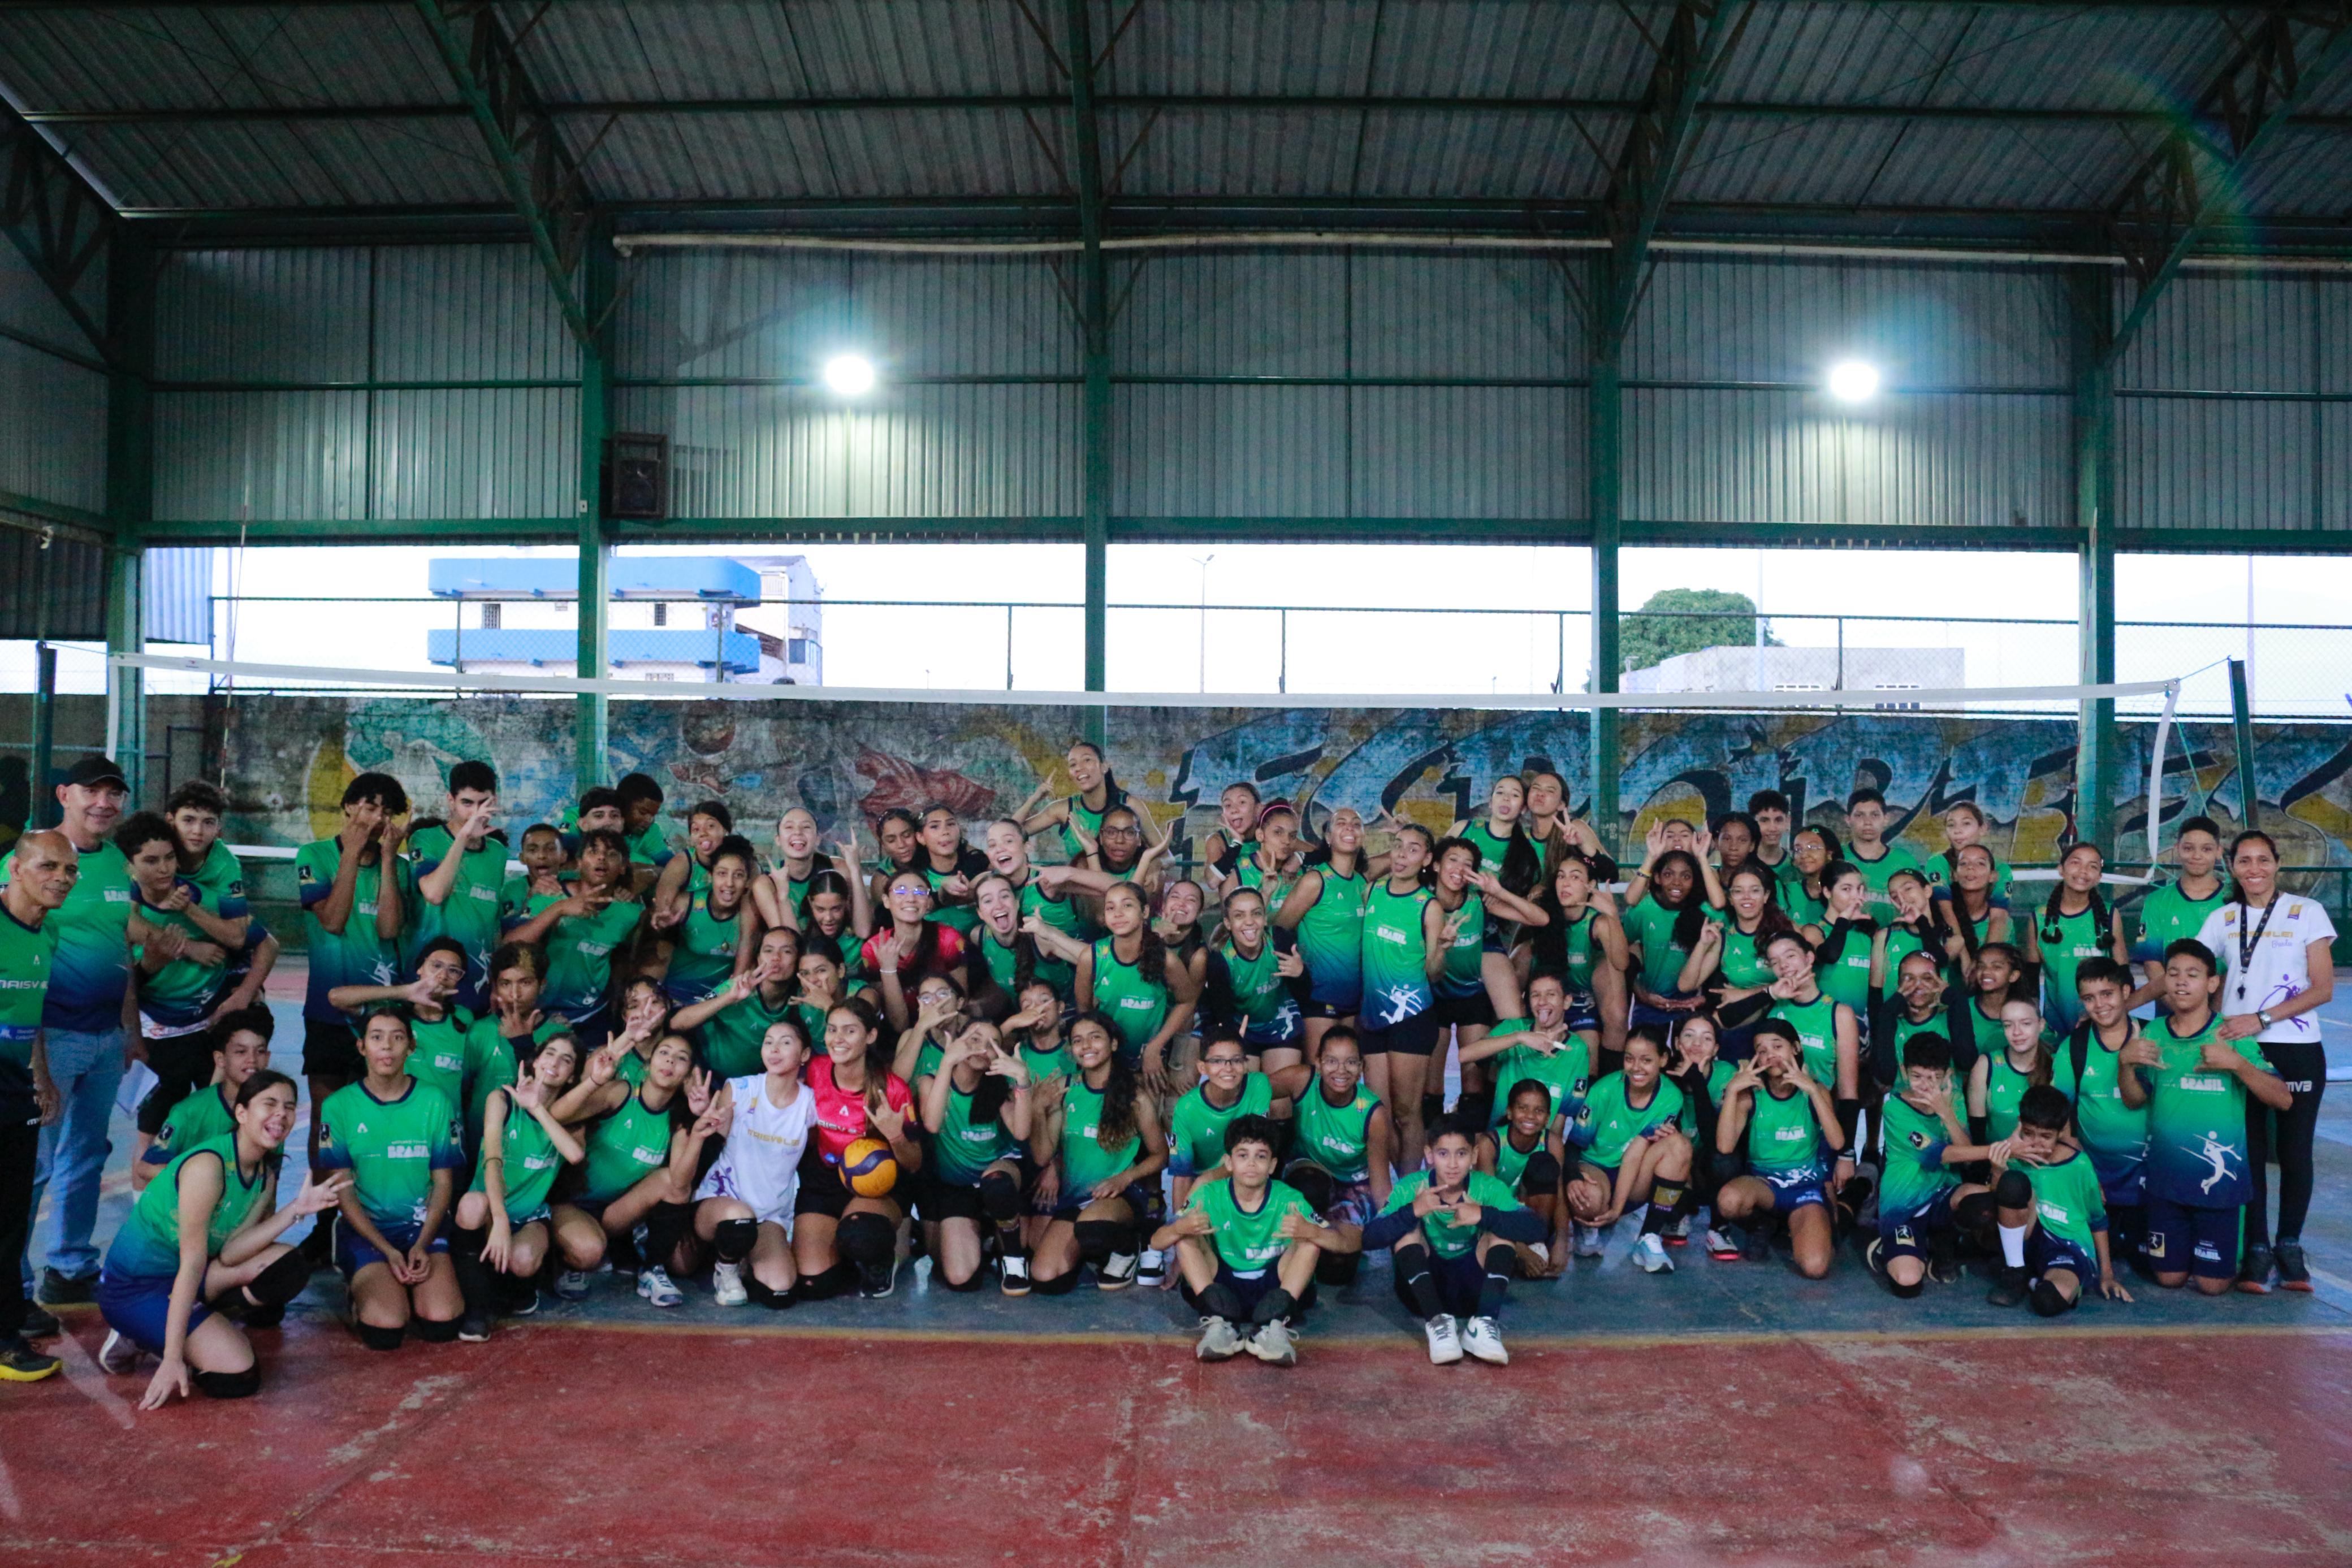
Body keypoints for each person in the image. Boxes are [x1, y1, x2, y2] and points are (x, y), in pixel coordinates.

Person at [96, 1071, 345, 1407]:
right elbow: (193, 1261)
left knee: (288, 1266)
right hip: (135, 1289)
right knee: (236, 1377)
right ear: (241, 1114)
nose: (282, 1114)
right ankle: (139, 1334)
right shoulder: (208, 1167)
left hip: (186, 1278)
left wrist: (297, 1210)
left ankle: (180, 1328)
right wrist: (171, 1358)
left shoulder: (263, 1175)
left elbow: (230, 1253)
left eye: (288, 1106)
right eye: (269, 1104)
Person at [7, 757, 135, 1314]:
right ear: (64, 794)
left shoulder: (115, 866)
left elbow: (122, 947)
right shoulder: (27, 860)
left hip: (105, 1036)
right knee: (33, 1164)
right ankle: (15, 1288)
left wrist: (129, 1028)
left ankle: (71, 1264)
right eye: (92, 791)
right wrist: (34, 1060)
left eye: (114, 793)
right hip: (49, 1037)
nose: (103, 802)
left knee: (86, 1155)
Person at [2196, 830, 2336, 1292]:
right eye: (2244, 861)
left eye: (2263, 859)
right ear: (2231, 867)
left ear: (2277, 863)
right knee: (2249, 1154)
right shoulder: (2222, 918)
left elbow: (2322, 988)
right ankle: (2257, 1247)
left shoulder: (2307, 913)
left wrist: (2262, 1017)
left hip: (2296, 1050)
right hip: (2241, 1049)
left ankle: (2290, 1245)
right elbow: (2195, 972)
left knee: (2294, 1153)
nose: (2254, 868)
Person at [2119, 939, 2293, 1297]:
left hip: (2220, 1189)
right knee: (2169, 1279)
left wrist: (2237, 1064)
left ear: (2213, 983)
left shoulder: (2232, 1035)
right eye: (2173, 974)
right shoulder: (2152, 1034)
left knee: (2213, 1286)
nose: (2182, 982)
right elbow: (2134, 1100)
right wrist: (2125, 1064)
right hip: (2166, 1183)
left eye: (2193, 975)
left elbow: (2284, 1099)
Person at [295, 770, 412, 1248]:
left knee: (383, 1114)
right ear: (347, 808)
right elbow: (335, 919)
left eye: (386, 809)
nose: (377, 816)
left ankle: (376, 1218)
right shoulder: (314, 856)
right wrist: (351, 852)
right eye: (368, 805)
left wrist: (386, 858)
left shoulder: (399, 867)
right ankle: (324, 1225)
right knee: (327, 1119)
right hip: (329, 1013)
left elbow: (387, 931)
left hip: (383, 1017)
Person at [314, 1008, 466, 1349]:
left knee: (441, 1323)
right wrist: (387, 1251)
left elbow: (443, 1182)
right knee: (386, 1329)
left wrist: (421, 1245)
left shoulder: (434, 1101)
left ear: (410, 1047)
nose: (388, 1047)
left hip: (421, 1228)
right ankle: (363, 1284)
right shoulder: (339, 1106)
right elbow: (344, 1190)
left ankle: (410, 1281)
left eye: (398, 1038)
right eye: (377, 1037)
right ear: (362, 1046)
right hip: (368, 1231)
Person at [1153, 1114, 1349, 1366]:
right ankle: (1219, 1323)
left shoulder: (1290, 1198)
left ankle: (1273, 1326)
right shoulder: (1208, 1194)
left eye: (1261, 1156)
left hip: (1274, 1287)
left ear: (1272, 1165)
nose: (1252, 1164)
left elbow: (1342, 1244)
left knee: (1311, 1241)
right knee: (1184, 1238)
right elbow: (1158, 1242)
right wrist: (1180, 1227)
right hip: (1221, 1284)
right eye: (1243, 1155)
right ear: (1229, 1162)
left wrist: (1313, 1232)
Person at [1361, 1115, 1549, 1366]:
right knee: (1405, 1231)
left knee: (1502, 1231)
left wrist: (1483, 1214)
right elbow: (1370, 1237)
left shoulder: (1489, 1188)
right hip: (1423, 1294)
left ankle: (1483, 1324)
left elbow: (1537, 1230)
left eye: (1461, 1154)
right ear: (1429, 1155)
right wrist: (1413, 1210)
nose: (1452, 1164)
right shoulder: (1411, 1187)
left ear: (1474, 1156)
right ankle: (1437, 1324)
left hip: (1473, 1291)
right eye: (1443, 1154)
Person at [548, 1033, 710, 1306]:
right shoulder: (621, 1092)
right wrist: (595, 1081)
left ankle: (651, 1270)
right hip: (571, 1203)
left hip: (615, 1213)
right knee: (589, 1252)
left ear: (686, 1077)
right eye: (664, 1053)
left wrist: (698, 1128)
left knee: (670, 1179)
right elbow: (558, 1115)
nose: (671, 1060)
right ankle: (562, 1263)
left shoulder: (679, 1117)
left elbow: (681, 1184)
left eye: (681, 1058)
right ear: (647, 1065)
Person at [0, 829, 76, 1380]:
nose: (62, 878)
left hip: (13, 1084)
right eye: (49, 866)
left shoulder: (45, 934)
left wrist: (40, 1074)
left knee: (9, 1215)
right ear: (17, 868)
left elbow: (32, 1016)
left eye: (70, 870)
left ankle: (10, 1320)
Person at [448, 1032, 583, 1338]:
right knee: (470, 1206)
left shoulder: (571, 1116)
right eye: (550, 1054)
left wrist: (536, 1107)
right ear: (535, 1061)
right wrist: (499, 1219)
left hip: (530, 1215)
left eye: (567, 1060)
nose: (555, 1063)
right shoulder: (501, 1099)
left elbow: (574, 1155)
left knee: (522, 1260)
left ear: (573, 1076)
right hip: (491, 1208)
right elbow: (492, 1161)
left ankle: (519, 1290)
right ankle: (477, 1309)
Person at [119, 811, 245, 1129]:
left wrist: (243, 994)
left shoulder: (196, 898)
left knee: (219, 1126)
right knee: (154, 1133)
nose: (164, 868)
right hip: (156, 1033)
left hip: (205, 1030)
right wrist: (185, 949)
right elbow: (129, 937)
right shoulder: (121, 905)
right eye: (151, 861)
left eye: (170, 858)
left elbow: (261, 941)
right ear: (128, 866)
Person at [793, 997, 924, 1300]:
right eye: (832, 1030)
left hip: (875, 1188)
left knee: (861, 1236)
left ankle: (887, 1250)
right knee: (814, 1284)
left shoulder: (893, 1090)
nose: (837, 1039)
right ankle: (853, 1246)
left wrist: (896, 1137)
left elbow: (915, 1163)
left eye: (850, 1031)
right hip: (824, 1181)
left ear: (871, 1036)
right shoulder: (814, 1070)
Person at [1028, 1010, 1166, 1294]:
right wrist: (1036, 1110)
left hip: (1118, 1197)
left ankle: (1128, 1248)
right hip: (1076, 1198)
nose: (1086, 1046)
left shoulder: (1136, 1097)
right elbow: (1042, 1156)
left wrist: (1125, 1178)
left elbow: (1161, 1156)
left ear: (1113, 1044)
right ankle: (1092, 1253)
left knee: (1093, 1229)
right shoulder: (1064, 1089)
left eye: (1095, 1038)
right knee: (1045, 1277)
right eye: (1078, 1041)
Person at [692, 1017, 818, 1309]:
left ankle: (746, 1254)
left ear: (805, 1055)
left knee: (780, 1293)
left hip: (770, 1213)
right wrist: (704, 1115)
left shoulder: (809, 1103)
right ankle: (725, 1270)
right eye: (768, 1042)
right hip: (723, 1203)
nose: (774, 1049)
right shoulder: (740, 1088)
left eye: (786, 1042)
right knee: (739, 1220)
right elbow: (720, 1131)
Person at [1711, 1021, 1845, 1280]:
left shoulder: (1815, 1090)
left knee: (1816, 1267)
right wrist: (1733, 1092)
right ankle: (1763, 1224)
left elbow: (1838, 1143)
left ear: (1795, 1048)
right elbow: (1724, 1147)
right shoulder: (1752, 1094)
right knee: (1728, 1201)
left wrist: (1812, 1091)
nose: (1769, 1054)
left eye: (1777, 1046)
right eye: (1761, 1050)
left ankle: (1805, 1224)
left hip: (1805, 1189)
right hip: (1765, 1185)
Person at [1985, 1084, 2132, 1315]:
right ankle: (2017, 1271)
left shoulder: (2080, 1166)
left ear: (2061, 1131)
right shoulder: (2015, 1156)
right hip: (2028, 1239)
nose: (2035, 1143)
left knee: (2048, 1302)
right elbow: (2001, 1203)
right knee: (2013, 1183)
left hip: (2065, 1247)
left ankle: (2034, 1281)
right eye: (2029, 1133)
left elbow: (2098, 1220)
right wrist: (1997, 1170)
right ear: (2020, 1124)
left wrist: (2107, 1274)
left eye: (2046, 1136)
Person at [1266, 1026, 1391, 1286]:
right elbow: (1250, 1091)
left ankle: (1321, 1239)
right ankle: (1291, 1246)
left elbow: (1380, 1182)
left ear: (1362, 1067)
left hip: (1352, 1186)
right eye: (1332, 1061)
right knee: (1311, 1186)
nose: (1341, 1070)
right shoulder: (1301, 1080)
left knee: (1337, 1271)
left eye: (1351, 1062)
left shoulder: (1373, 1113)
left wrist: (1397, 1233)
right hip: (1308, 1171)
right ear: (1319, 1062)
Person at [917, 1017, 1034, 1293]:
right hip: (958, 1187)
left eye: (992, 1044)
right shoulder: (930, 1081)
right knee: (959, 1277)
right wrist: (947, 1062)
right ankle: (986, 1234)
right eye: (974, 1039)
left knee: (996, 1183)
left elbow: (1021, 1133)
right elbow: (932, 1124)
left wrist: (1023, 1081)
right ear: (957, 1042)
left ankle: (1014, 1257)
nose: (982, 1048)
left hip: (1000, 1177)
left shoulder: (998, 1086)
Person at [1355, 823, 1447, 1171]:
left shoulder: (1429, 906)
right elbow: (1362, 868)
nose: (1402, 855)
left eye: (1413, 849)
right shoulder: (1372, 892)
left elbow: (1435, 973)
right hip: (1373, 1017)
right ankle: (1394, 1192)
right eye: (1397, 846)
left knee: (1408, 1114)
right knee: (1379, 1113)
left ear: (1426, 859)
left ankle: (1410, 1192)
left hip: (1413, 1016)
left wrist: (1442, 952)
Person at [2050, 958, 2151, 1270]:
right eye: (2089, 998)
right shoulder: (2074, 1047)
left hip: (2149, 1181)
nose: (2099, 1005)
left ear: (2126, 992)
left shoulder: (2153, 1038)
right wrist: (2077, 1165)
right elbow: (2059, 1110)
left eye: (2107, 994)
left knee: (2157, 1268)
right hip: (2096, 1183)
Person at [503, 826, 643, 1049]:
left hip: (591, 1016)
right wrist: (560, 909)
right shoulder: (548, 896)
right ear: (578, 862)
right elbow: (509, 947)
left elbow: (624, 961)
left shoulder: (630, 914)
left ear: (623, 867)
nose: (601, 858)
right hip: (540, 1012)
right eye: (593, 852)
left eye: (612, 854)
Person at [1564, 1029, 1692, 1274]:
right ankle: (1590, 1224)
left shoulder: (1671, 1097)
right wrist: (1572, 1178)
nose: (1636, 1067)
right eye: (1629, 1058)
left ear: (1663, 1060)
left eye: (1647, 1060)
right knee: (1588, 1200)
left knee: (1679, 1145)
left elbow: (1637, 1149)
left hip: (1634, 1174)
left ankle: (1649, 1237)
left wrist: (1617, 1210)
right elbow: (1574, 1145)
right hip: (1596, 1167)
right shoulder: (1604, 1089)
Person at [1869, 1032, 1986, 1297]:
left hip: (1942, 1196)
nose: (1924, 1085)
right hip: (1904, 1206)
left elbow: (1966, 1154)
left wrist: (1945, 1112)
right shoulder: (1895, 1108)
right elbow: (1941, 1154)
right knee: (1908, 1283)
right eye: (1917, 1076)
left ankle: (1942, 1241)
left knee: (1983, 1201)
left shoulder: (1953, 1098)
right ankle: (1888, 1245)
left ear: (1947, 1075)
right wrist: (2000, 1150)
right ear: (1904, 1071)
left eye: (1933, 1077)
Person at [1063, 881, 1198, 1097]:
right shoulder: (1092, 957)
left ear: (1145, 911)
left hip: (1148, 1057)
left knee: (1148, 1114)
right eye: (1110, 908)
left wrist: (1156, 1046)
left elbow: (1187, 1001)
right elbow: (1085, 1013)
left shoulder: (1166, 961)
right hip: (1105, 1056)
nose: (1118, 914)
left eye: (1127, 906)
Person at [328, 937, 473, 1130]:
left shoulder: (464, 1019)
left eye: (453, 970)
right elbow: (337, 998)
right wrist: (405, 992)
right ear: (420, 969)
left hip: (444, 1131)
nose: (443, 975)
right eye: (436, 966)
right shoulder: (390, 1016)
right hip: (392, 1128)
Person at [135, 1006, 276, 1193]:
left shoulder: (273, 1115)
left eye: (259, 1051)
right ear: (220, 1059)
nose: (252, 1059)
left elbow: (268, 1185)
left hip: (234, 1215)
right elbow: (146, 1168)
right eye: (241, 1052)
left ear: (267, 1058)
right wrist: (198, 1178)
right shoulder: (189, 1112)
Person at [1273, 804, 1372, 1062]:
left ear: (1362, 835)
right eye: (1341, 823)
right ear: (1328, 837)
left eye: (1356, 823)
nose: (1350, 827)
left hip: (1355, 1002)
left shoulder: (1363, 884)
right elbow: (1280, 929)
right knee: (1318, 1074)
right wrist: (1299, 977)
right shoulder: (1315, 880)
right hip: (1318, 999)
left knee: (1345, 1074)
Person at [408, 760, 508, 1010]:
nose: (475, 813)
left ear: (493, 801)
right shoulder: (426, 839)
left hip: (478, 977)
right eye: (467, 803)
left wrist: (496, 981)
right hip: (431, 977)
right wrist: (463, 838)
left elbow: (492, 922)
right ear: (450, 800)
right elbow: (434, 893)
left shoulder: (497, 852)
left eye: (483, 804)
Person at [2021, 841, 2130, 1037]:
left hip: (2101, 1023)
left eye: (2093, 866)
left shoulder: (2109, 914)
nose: (2083, 871)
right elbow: (2030, 980)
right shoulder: (2039, 918)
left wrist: (2111, 1015)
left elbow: (2123, 974)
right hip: (2055, 1027)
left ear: (2099, 877)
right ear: (2061, 869)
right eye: (2076, 863)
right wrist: (2034, 1020)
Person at [1167, 1025, 1277, 1214]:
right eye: (1217, 1061)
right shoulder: (1186, 1107)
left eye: (1236, 1060)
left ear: (1245, 1064)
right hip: (1199, 1183)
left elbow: (1255, 1147)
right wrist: (1179, 1221)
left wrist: (1207, 1179)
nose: (1228, 1068)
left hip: (1246, 1174)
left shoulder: (1259, 1084)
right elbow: (1182, 1174)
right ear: (1202, 1067)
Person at [674, 923, 801, 1080]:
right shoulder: (738, 987)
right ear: (758, 958)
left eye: (787, 951)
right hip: (704, 1075)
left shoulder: (800, 999)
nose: (776, 958)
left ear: (798, 959)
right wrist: (729, 998)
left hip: (751, 1085)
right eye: (768, 951)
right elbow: (677, 1023)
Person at [1203, 887, 1306, 1072]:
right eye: (1239, 916)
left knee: (1279, 1099)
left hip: (1282, 1022)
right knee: (1247, 1091)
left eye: (1256, 914)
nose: (1249, 922)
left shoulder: (1279, 940)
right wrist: (1233, 1039)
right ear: (1228, 923)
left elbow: (1305, 994)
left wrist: (1301, 974)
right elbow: (1221, 1011)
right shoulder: (1221, 961)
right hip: (1242, 1028)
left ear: (1265, 918)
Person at [2129, 815, 2227, 1008]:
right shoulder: (2156, 901)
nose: (2197, 856)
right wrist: (2179, 1008)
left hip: (2223, 1014)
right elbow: (2152, 963)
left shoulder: (2234, 900)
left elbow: (2237, 966)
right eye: (2189, 848)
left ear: (2218, 852)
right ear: (2177, 850)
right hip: (2171, 1012)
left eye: (2206, 849)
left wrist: (2211, 1016)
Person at [650, 833, 757, 1008]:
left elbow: (741, 975)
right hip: (674, 995)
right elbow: (651, 943)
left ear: (747, 882)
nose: (729, 883)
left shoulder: (750, 915)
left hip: (717, 1001)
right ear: (710, 876)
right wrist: (660, 927)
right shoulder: (688, 904)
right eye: (722, 874)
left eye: (738, 875)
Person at [1476, 1079, 1571, 1274]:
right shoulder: (1490, 1143)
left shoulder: (1552, 1142)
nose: (1530, 1116)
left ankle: (1537, 1240)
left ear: (1547, 1118)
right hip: (1497, 1217)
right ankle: (1516, 1249)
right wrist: (1521, 1250)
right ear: (1510, 1112)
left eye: (1539, 1111)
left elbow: (1560, 1196)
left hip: (1531, 1217)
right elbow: (1487, 1205)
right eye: (1523, 1108)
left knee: (1544, 1165)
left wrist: (1562, 1242)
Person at [1020, 740, 1130, 861]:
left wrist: (1154, 865)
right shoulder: (1064, 809)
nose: (1078, 768)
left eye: (1087, 760)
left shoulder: (1128, 804)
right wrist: (1034, 798)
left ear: (1104, 766)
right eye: (1073, 765)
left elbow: (1155, 847)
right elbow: (1010, 833)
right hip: (1080, 880)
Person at [1968, 997, 2053, 1145]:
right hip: (1998, 1159)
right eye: (2008, 1025)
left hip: (2043, 1160)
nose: (2017, 1032)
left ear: (2041, 1025)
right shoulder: (1986, 1065)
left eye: (2026, 1024)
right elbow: (1977, 1130)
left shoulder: (2056, 1065)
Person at [1841, 789, 1923, 924]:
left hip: (1895, 940)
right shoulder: (1837, 858)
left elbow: (1923, 906)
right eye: (1860, 815)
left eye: (1875, 815)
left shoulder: (1905, 861)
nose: (1867, 822)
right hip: (1847, 940)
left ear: (1886, 819)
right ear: (1848, 820)